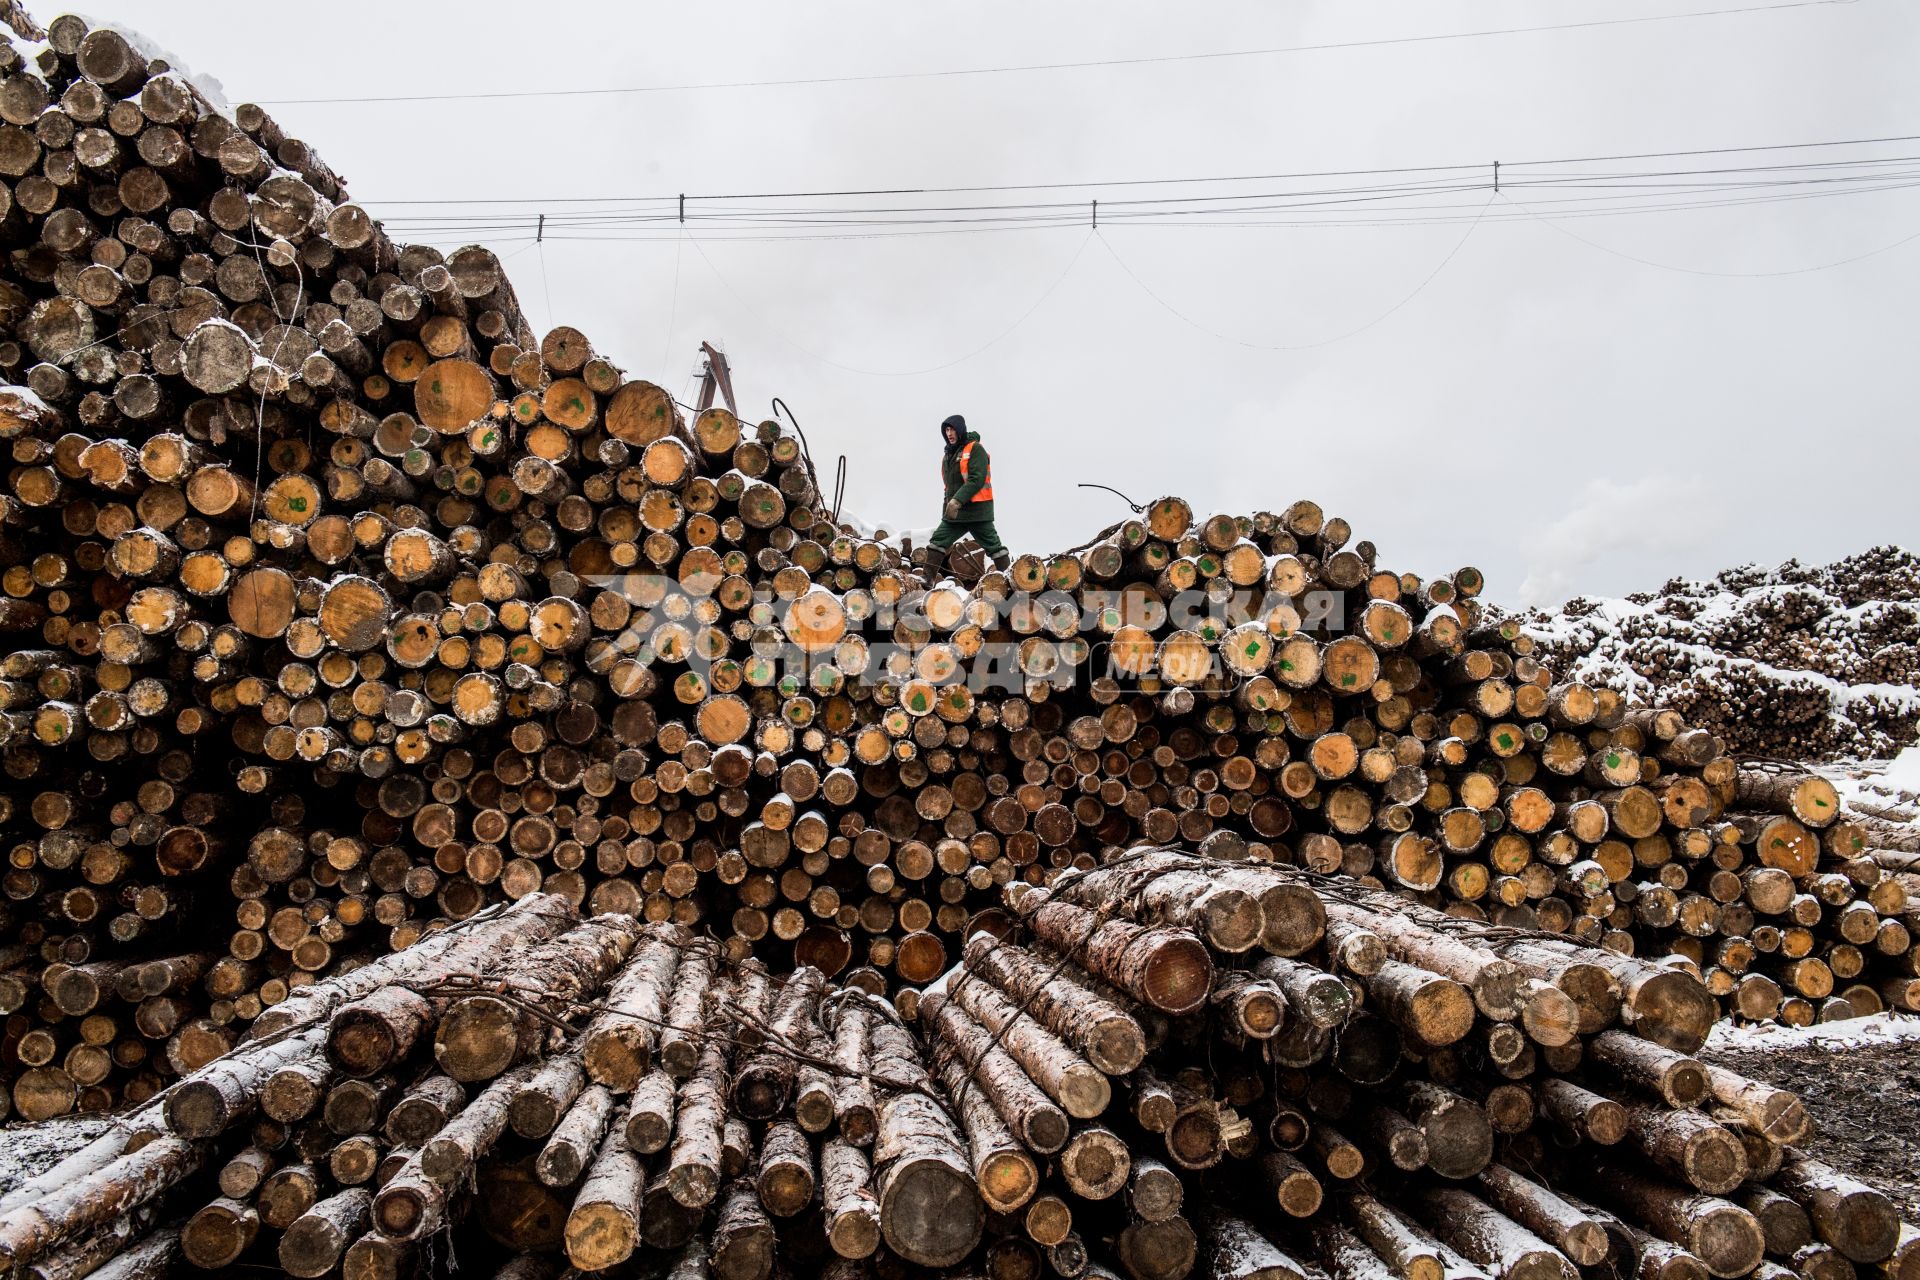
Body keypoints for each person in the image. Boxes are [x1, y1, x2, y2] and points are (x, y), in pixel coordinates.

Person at [926, 413, 1009, 573]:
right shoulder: (948, 455)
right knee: (937, 541)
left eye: (952, 430)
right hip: (956, 515)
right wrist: (947, 510)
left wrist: (956, 501)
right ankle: (927, 580)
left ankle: (1012, 582)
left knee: (994, 547)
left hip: (978, 513)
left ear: (960, 430)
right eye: (947, 430)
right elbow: (948, 488)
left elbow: (976, 479)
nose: (949, 433)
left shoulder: (975, 448)